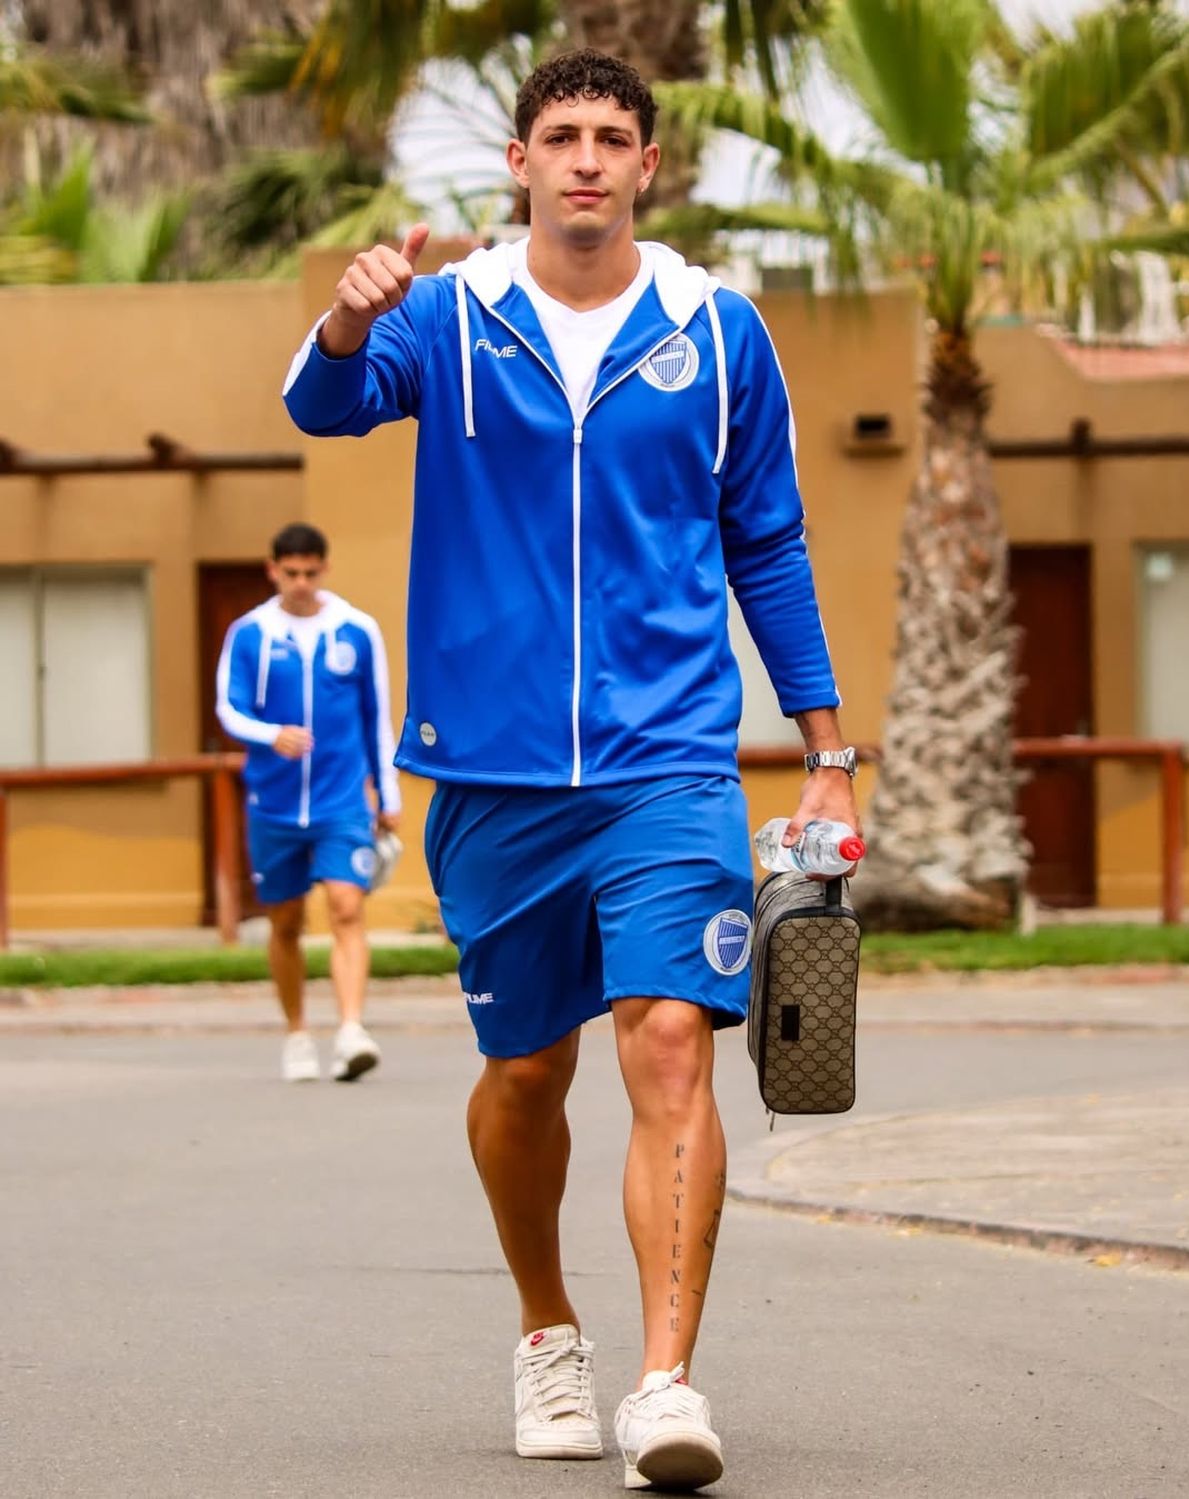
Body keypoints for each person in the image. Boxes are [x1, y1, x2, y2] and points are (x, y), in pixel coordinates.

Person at [282, 48, 860, 1491]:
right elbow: (322, 408)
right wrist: (347, 327)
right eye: (562, 135)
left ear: (649, 166)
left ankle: (666, 1379)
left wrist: (826, 749)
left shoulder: (718, 332)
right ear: (521, 166)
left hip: (670, 757)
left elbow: (769, 544)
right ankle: (550, 1323)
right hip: (489, 771)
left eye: (613, 136)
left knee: (670, 1042)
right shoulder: (449, 316)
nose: (588, 157)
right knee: (524, 1071)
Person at [216, 522, 402, 1083]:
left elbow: (379, 715)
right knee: (286, 922)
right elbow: (229, 708)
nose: (300, 582)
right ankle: (297, 1032)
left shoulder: (356, 630)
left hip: (341, 800)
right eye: (289, 572)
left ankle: (351, 1030)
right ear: (273, 571)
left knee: (347, 906)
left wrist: (386, 794)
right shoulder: (249, 634)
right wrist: (268, 733)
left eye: (310, 572)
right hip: (272, 804)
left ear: (324, 569)